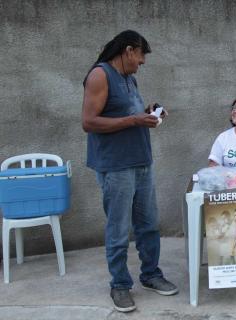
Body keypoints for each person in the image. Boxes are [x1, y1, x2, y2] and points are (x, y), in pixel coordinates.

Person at [81, 30, 178, 313]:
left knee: (148, 225)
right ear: (128, 51)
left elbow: (127, 113)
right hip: (116, 166)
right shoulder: (100, 75)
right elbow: (89, 122)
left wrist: (148, 112)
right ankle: (120, 285)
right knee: (118, 229)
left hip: (141, 162)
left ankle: (151, 275)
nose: (143, 62)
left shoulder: (129, 78)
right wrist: (134, 119)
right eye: (141, 55)